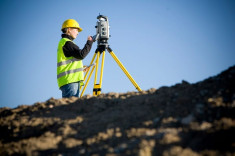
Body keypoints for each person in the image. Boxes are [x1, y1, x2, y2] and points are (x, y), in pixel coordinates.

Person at [57, 19, 93, 98]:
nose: (77, 33)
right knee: (69, 107)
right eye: (76, 30)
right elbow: (81, 54)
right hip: (70, 81)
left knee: (72, 106)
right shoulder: (66, 42)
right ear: (69, 29)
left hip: (71, 80)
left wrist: (81, 69)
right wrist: (89, 42)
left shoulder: (66, 42)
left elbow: (70, 62)